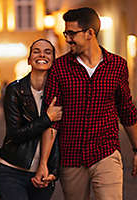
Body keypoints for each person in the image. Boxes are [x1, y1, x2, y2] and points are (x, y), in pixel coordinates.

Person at [32, 7, 137, 200]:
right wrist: (43, 162)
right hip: (71, 157)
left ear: (90, 33)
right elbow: (51, 120)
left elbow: (127, 111)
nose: (67, 39)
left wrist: (136, 149)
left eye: (72, 33)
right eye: (66, 33)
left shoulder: (117, 66)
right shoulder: (59, 68)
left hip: (106, 152)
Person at [0, 39, 62, 200]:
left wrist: (53, 171)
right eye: (36, 51)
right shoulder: (15, 90)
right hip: (13, 170)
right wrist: (47, 118)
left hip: (44, 173)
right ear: (28, 60)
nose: (42, 54)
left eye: (48, 52)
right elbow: (15, 134)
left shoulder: (61, 92)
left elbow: (63, 135)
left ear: (54, 59)